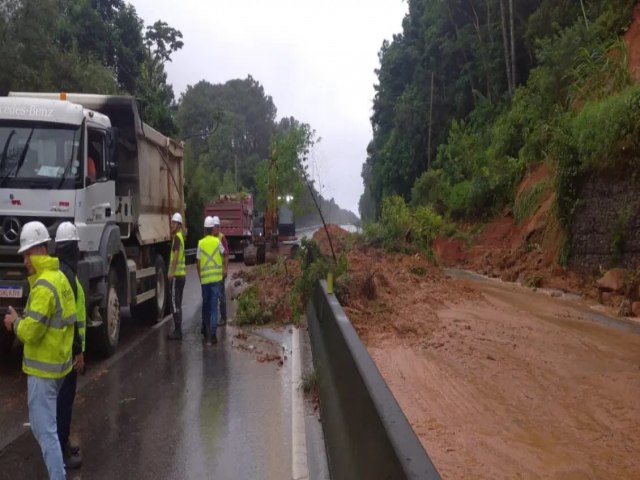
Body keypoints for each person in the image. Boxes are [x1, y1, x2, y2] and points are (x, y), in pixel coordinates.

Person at [3, 221, 76, 480]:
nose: (24, 261)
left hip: (42, 370)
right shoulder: (60, 278)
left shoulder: (43, 285)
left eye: (27, 254)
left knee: (45, 433)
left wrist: (15, 323)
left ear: (41, 250)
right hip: (58, 367)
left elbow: (31, 332)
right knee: (47, 429)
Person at [54, 222, 85, 470]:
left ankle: (61, 444)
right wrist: (78, 351)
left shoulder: (59, 273)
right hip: (66, 354)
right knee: (63, 403)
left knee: (61, 402)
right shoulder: (68, 277)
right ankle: (61, 453)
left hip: (60, 351)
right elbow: (72, 318)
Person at [197, 216, 225, 345]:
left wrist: (200, 277)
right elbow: (224, 254)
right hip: (216, 280)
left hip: (205, 281)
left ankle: (206, 331)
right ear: (212, 229)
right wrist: (223, 269)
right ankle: (213, 336)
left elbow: (198, 263)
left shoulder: (200, 243)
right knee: (214, 308)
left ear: (204, 229)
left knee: (206, 307)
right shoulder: (217, 242)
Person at [167, 212, 186, 340]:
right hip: (181, 275)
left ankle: (178, 331)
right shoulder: (180, 237)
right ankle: (178, 329)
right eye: (172, 222)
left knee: (174, 303)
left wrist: (171, 272)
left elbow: (176, 257)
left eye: (174, 223)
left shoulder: (177, 238)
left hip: (177, 276)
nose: (172, 225)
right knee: (177, 303)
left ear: (179, 225)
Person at [211, 216, 229, 326]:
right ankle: (213, 318)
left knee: (221, 296)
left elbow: (226, 255)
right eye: (214, 227)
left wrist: (225, 269)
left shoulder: (221, 238)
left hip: (220, 273)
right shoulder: (209, 238)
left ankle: (223, 317)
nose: (215, 229)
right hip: (212, 273)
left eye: (217, 226)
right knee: (213, 297)